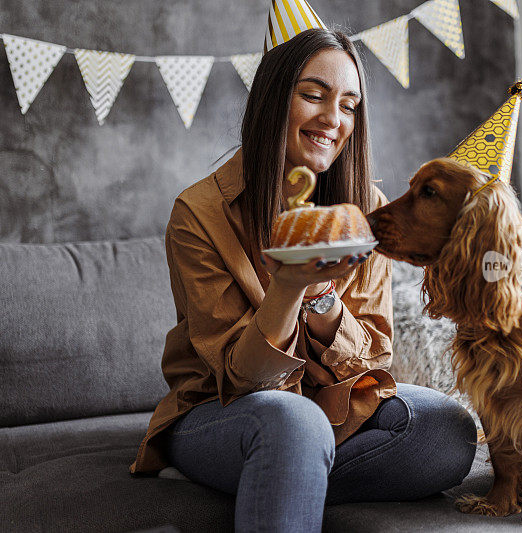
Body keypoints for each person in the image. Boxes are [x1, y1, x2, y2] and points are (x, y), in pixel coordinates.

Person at [129, 27, 477, 532]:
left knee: (446, 431)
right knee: (293, 422)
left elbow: (374, 361)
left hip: (330, 408)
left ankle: (283, 478)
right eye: (313, 95)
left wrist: (323, 297)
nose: (332, 120)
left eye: (349, 106)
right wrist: (289, 286)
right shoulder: (199, 214)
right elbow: (244, 379)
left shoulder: (368, 213)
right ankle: (279, 465)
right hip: (221, 412)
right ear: (274, 101)